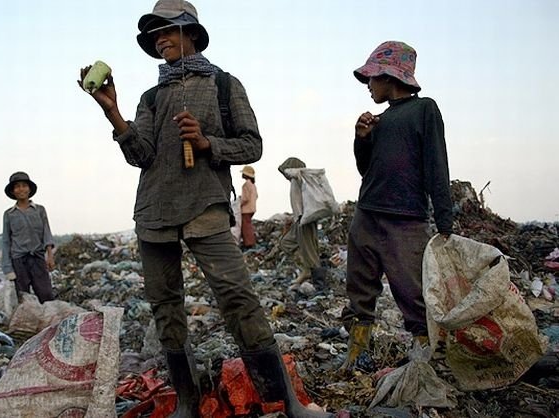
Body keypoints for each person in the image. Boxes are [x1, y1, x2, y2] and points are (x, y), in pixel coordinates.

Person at [77, 1, 333, 416]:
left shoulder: (224, 85)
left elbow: (252, 145)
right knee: (166, 308)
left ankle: (285, 402)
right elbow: (140, 155)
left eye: (167, 31)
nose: (160, 40)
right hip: (154, 214)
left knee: (238, 298)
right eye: (154, 35)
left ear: (191, 33)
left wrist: (207, 143)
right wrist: (114, 113)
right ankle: (187, 402)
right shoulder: (151, 97)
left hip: (205, 208)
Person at [340, 41, 453, 369]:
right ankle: (356, 356)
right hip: (367, 215)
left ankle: (424, 363)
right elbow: (367, 169)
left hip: (405, 220)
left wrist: (445, 224)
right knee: (360, 288)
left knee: (412, 294)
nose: (369, 87)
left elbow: (437, 165)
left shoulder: (424, 110)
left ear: (390, 77)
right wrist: (361, 138)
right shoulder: (378, 121)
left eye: (371, 80)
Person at [1, 171, 56, 304]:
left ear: (29, 189)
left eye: (24, 185)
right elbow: (6, 241)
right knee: (24, 297)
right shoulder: (9, 214)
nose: (21, 189)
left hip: (37, 258)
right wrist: (8, 268)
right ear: (13, 191)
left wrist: (50, 256)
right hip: (19, 261)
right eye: (17, 186)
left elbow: (46, 233)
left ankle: (48, 321)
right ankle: (28, 322)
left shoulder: (39, 210)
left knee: (46, 294)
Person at [277, 157, 321, 287]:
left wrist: (294, 171)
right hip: (298, 219)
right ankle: (306, 268)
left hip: (306, 218)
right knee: (286, 243)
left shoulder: (302, 178)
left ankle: (319, 281)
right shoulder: (294, 182)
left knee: (310, 250)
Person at [239, 165, 257, 249]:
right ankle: (249, 242)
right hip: (252, 208)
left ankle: (249, 243)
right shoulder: (253, 185)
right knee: (248, 225)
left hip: (246, 209)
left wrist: (238, 204)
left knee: (246, 227)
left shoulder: (246, 184)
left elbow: (245, 198)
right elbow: (256, 196)